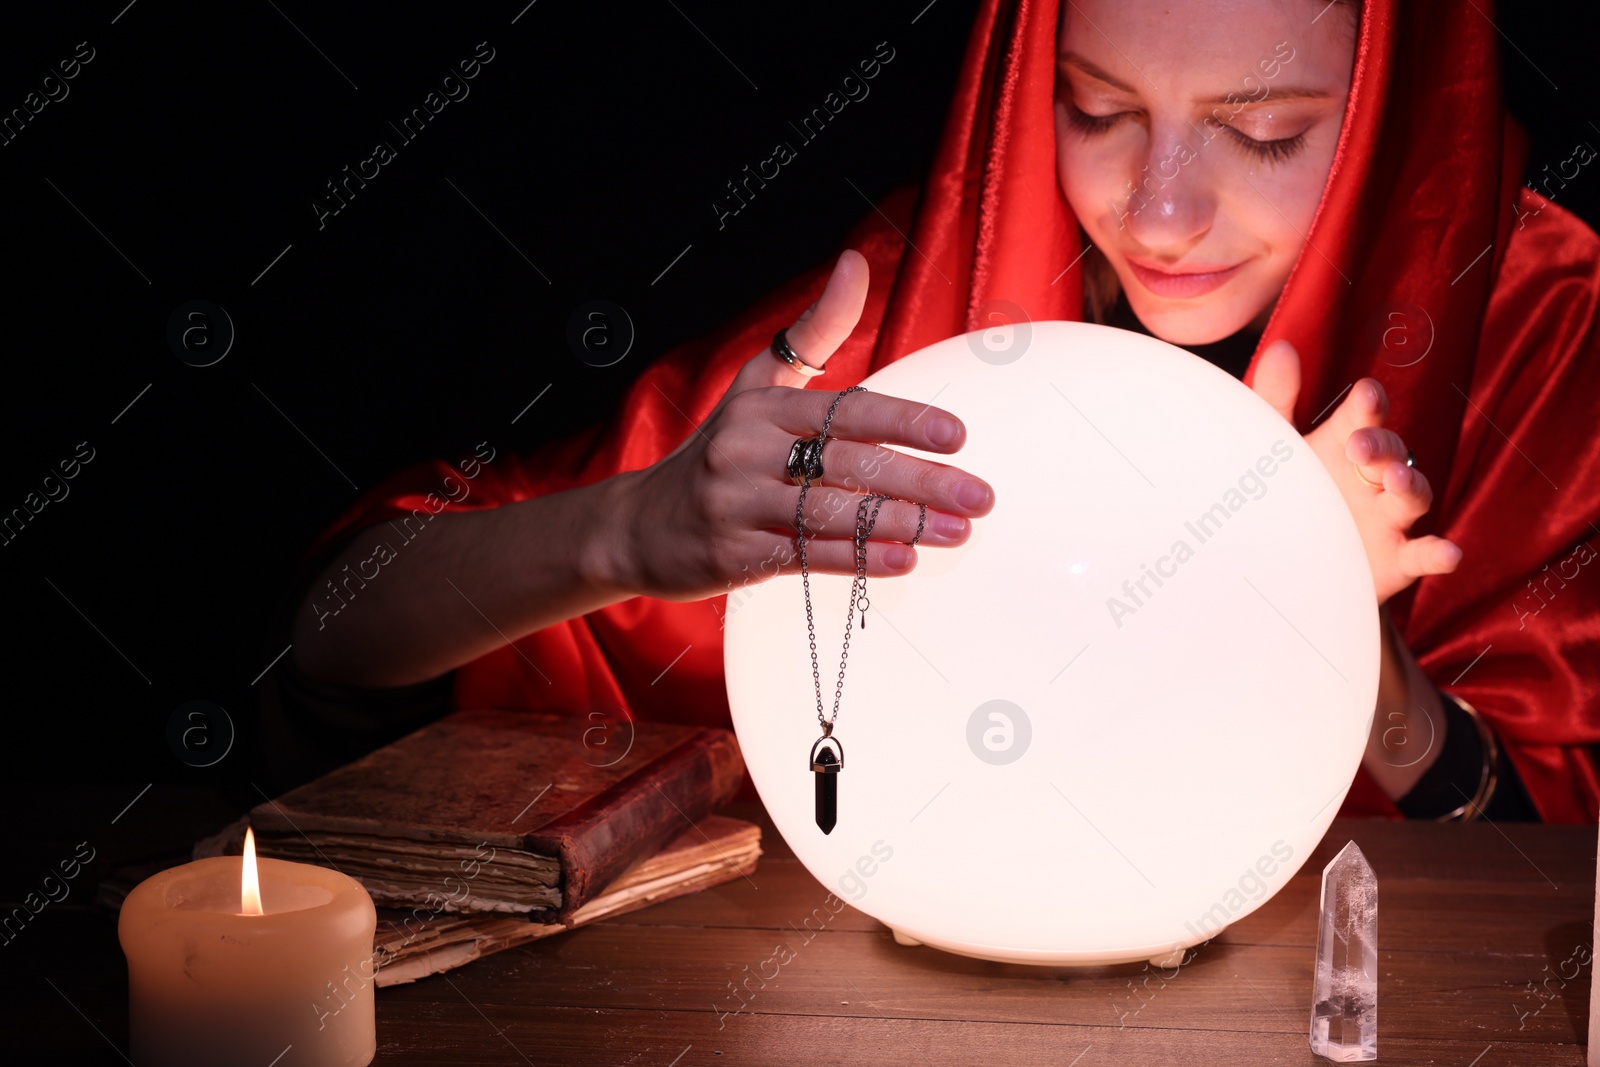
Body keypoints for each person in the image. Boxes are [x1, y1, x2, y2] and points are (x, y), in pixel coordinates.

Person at [269, 0, 1598, 822]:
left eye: (1265, 134)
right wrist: (631, 528)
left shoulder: (1542, 322)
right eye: (1096, 111)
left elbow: (1556, 903)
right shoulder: (913, 326)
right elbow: (334, 633)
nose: (1164, 211)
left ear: (1399, 115)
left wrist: (1347, 661)